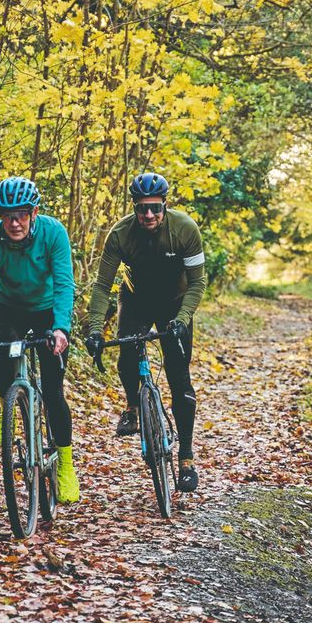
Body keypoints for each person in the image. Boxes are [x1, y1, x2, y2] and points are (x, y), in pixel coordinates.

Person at [83, 172, 205, 493]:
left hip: (175, 304)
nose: (148, 215)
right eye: (141, 208)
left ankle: (186, 458)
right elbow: (101, 286)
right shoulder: (121, 234)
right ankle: (134, 407)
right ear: (134, 208)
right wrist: (95, 328)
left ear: (165, 205)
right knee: (127, 354)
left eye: (154, 208)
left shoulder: (185, 230)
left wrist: (182, 318)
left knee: (179, 378)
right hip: (136, 300)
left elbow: (197, 283)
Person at [0, 176, 79, 503]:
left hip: (46, 309)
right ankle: (10, 406)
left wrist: (60, 329)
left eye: (22, 214)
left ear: (34, 212)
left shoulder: (54, 233)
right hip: (8, 307)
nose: (14, 222)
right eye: (7, 215)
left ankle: (66, 465)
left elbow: (64, 284)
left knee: (54, 391)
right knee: (4, 362)